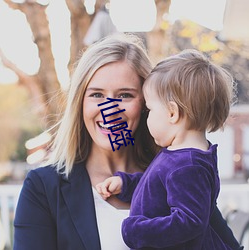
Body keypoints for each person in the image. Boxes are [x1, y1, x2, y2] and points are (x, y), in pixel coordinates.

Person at [13, 34, 242, 250]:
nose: (109, 110)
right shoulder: (43, 187)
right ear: (80, 103)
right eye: (97, 95)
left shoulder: (178, 171)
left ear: (147, 104)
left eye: (125, 95)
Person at [96, 49, 243, 249]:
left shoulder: (187, 166)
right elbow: (158, 188)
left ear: (172, 113)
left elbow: (189, 222)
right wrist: (127, 184)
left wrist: (137, 230)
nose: (147, 117)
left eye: (150, 109)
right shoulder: (182, 157)